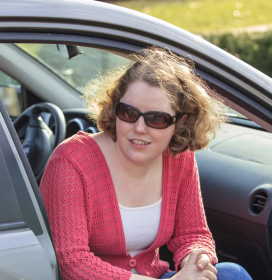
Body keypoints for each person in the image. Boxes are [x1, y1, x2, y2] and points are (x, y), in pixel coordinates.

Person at [40, 47, 252, 280]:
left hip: (156, 275)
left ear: (180, 121)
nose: (139, 128)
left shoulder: (179, 158)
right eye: (129, 112)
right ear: (115, 107)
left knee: (232, 274)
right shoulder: (71, 162)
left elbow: (193, 234)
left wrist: (196, 260)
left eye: (156, 118)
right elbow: (72, 263)